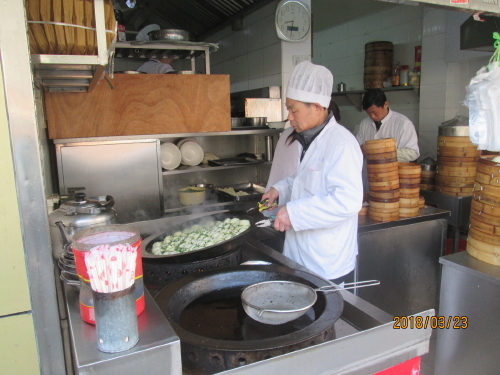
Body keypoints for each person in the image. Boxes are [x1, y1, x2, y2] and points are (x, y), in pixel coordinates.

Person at [261, 61, 363, 284]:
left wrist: (294, 213)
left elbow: (347, 200)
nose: (289, 117)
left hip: (325, 262)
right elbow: (305, 180)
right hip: (300, 256)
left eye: (293, 110)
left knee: (323, 317)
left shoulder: (341, 143)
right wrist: (280, 189)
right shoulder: (310, 138)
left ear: (317, 107)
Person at [356, 89, 419, 162]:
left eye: (374, 112)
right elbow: (357, 146)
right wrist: (361, 148)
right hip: (370, 172)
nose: (372, 116)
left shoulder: (403, 123)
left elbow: (413, 153)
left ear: (386, 104)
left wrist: (383, 152)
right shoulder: (364, 123)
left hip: (392, 171)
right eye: (368, 112)